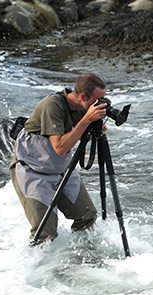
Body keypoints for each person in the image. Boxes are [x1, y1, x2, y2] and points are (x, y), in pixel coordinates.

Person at [10, 73, 108, 241]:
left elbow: (76, 137)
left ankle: (82, 259)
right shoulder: (52, 105)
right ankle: (44, 266)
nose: (100, 105)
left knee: (87, 216)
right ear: (83, 96)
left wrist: (94, 128)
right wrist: (86, 120)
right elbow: (60, 147)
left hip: (61, 169)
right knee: (45, 234)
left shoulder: (81, 108)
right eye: (97, 100)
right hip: (32, 171)